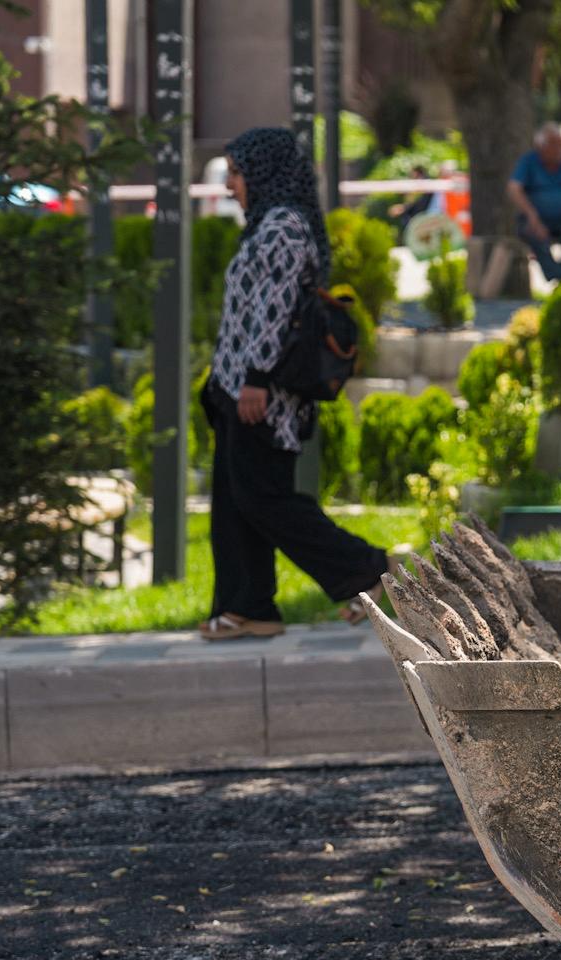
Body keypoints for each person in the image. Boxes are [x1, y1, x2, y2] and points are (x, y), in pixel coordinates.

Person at [198, 127, 388, 642]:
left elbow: (276, 310)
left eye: (236, 173)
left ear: (263, 173)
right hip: (237, 389)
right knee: (238, 500)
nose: (230, 185)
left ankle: (370, 571)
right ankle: (248, 606)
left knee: (265, 499)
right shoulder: (265, 224)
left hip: (264, 393)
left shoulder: (283, 227)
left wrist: (255, 379)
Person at [508, 123, 561, 284]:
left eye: (560, 144)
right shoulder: (529, 161)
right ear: (540, 146)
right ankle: (559, 278)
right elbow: (514, 188)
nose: (558, 149)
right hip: (535, 219)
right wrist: (532, 216)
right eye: (553, 144)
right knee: (536, 236)